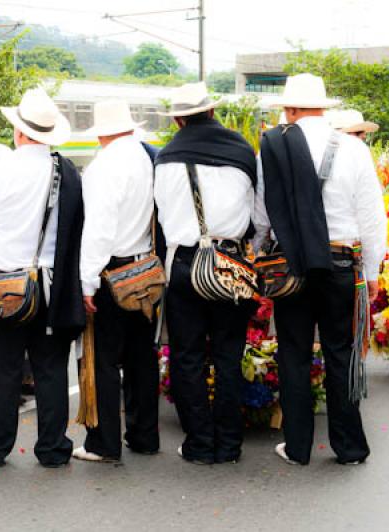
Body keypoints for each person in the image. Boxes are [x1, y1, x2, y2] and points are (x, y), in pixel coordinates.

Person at [253, 73, 386, 466]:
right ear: (323, 109)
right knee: (340, 353)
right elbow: (371, 215)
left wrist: (261, 252)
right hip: (342, 263)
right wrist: (374, 271)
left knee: (293, 354)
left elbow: (263, 213)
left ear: (290, 109)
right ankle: (350, 448)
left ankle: (298, 448)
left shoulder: (272, 148)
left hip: (292, 266)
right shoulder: (352, 148)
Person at [0, 88, 84, 468]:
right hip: (51, 285)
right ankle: (52, 448)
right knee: (50, 370)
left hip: (4, 285)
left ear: (18, 131)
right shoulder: (66, 173)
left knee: (1, 371)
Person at [154, 82, 257, 465]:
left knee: (187, 356)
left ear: (178, 119)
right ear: (212, 112)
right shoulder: (242, 151)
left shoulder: (166, 158)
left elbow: (163, 217)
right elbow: (256, 216)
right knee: (229, 355)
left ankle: (199, 443)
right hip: (230, 265)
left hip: (184, 265)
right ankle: (230, 444)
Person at [71, 99, 158, 462]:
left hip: (111, 270)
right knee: (142, 356)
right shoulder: (145, 157)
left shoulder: (103, 166)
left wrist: (87, 281)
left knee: (103, 360)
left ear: (101, 132)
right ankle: (144, 435)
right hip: (144, 268)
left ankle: (104, 443)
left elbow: (99, 229)